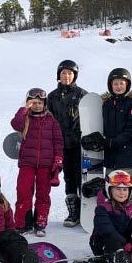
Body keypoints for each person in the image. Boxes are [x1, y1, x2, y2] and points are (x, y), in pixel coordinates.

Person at [81, 68, 132, 200]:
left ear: (127, 85)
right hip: (111, 159)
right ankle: (114, 220)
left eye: (121, 83)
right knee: (112, 194)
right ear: (110, 85)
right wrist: (97, 139)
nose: (118, 86)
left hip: (127, 159)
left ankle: (129, 220)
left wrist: (114, 142)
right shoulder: (106, 104)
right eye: (115, 83)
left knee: (127, 195)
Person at [10, 88, 63, 236]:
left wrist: (58, 160)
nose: (37, 105)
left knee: (43, 194)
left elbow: (58, 141)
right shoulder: (25, 119)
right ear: (28, 104)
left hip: (46, 165)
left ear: (45, 103)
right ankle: (22, 222)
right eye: (34, 103)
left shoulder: (52, 121)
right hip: (27, 163)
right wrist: (23, 109)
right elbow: (15, 124)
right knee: (23, 191)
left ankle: (40, 222)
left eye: (40, 103)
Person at [47, 60, 88, 227]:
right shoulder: (52, 97)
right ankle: (73, 213)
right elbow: (48, 119)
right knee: (69, 178)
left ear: (75, 75)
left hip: (80, 145)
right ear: (59, 75)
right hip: (62, 145)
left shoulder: (83, 95)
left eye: (70, 73)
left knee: (83, 177)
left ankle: (87, 211)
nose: (66, 76)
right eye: (63, 73)